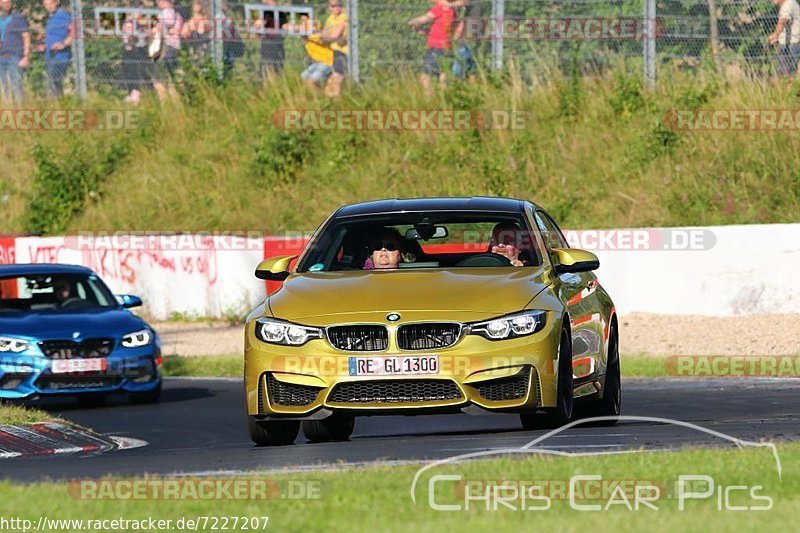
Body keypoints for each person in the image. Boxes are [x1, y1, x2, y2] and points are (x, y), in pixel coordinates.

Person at [300, 1, 347, 97]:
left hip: (342, 53)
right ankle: (322, 99)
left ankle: (326, 100)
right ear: (329, 7)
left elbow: (334, 35)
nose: (336, 8)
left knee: (335, 81)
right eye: (333, 6)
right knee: (306, 77)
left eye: (339, 5)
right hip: (334, 53)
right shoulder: (331, 18)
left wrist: (319, 35)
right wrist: (319, 35)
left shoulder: (344, 17)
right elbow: (325, 33)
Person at [409, 0, 455, 95]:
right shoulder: (452, 10)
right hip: (446, 47)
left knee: (425, 78)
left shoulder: (440, 7)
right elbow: (442, 28)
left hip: (436, 48)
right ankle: (444, 100)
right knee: (443, 76)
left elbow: (426, 18)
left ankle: (429, 101)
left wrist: (413, 22)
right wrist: (426, 32)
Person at [121, 3, 153, 104]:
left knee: (143, 73)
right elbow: (127, 34)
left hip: (140, 49)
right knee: (130, 72)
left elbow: (147, 28)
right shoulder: (128, 21)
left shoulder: (142, 18)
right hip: (130, 50)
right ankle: (133, 93)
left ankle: (142, 93)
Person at [152, 0, 183, 100]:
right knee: (172, 80)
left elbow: (164, 27)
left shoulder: (167, 12)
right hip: (175, 48)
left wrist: (156, 29)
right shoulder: (177, 14)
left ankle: (166, 106)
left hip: (167, 48)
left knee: (160, 81)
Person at [0, 0, 30, 102]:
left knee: (17, 86)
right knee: (4, 88)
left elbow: (26, 36)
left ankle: (21, 112)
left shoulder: (18, 17)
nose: (6, 4)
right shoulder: (0, 18)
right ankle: (7, 112)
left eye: (8, 2)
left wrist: (26, 56)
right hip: (1, 57)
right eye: (3, 2)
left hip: (15, 57)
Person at [42, 0, 72, 98]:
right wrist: (43, 45)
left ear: (56, 2)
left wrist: (63, 43)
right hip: (49, 55)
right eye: (46, 4)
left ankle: (59, 104)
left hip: (60, 56)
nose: (48, 6)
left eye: (50, 3)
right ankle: (56, 105)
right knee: (51, 82)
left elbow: (74, 31)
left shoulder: (64, 15)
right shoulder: (49, 18)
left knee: (55, 80)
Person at [254, 0, 287, 79]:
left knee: (276, 73)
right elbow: (258, 30)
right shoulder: (265, 13)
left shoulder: (280, 14)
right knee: (266, 73)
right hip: (267, 48)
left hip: (277, 48)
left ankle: (273, 89)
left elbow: (285, 27)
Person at [770, 0, 800, 77]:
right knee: (785, 72)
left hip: (791, 45)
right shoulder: (789, 3)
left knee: (786, 73)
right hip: (789, 44)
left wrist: (775, 35)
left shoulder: (788, 5)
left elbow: (783, 20)